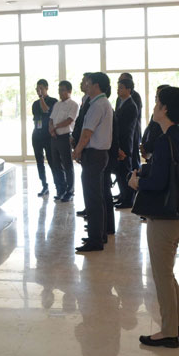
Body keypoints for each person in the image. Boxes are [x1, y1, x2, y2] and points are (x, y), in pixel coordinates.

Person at [129, 86, 179, 348]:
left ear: (165, 109)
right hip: (178, 215)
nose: (155, 105)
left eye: (158, 102)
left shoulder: (165, 140)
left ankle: (169, 332)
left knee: (161, 276)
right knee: (167, 273)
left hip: (164, 218)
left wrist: (137, 182)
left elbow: (158, 182)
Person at [72, 72, 113, 251]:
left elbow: (87, 132)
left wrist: (77, 150)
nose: (85, 86)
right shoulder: (102, 102)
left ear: (96, 85)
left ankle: (95, 239)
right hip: (99, 154)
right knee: (97, 197)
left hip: (94, 155)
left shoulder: (97, 105)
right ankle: (100, 235)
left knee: (93, 198)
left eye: (88, 83)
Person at [48, 80, 79, 202]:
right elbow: (51, 119)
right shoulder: (57, 104)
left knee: (67, 165)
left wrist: (55, 127)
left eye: (62, 90)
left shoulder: (73, 104)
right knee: (56, 165)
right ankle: (61, 189)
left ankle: (70, 191)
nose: (60, 93)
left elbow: (69, 120)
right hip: (54, 137)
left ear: (69, 91)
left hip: (65, 137)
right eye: (59, 90)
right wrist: (51, 129)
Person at [112, 77, 138, 208]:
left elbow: (126, 128)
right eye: (118, 87)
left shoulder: (131, 105)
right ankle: (123, 196)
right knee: (119, 172)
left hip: (125, 143)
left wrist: (120, 146)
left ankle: (129, 199)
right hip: (119, 142)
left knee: (125, 171)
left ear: (129, 89)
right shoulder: (120, 102)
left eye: (121, 88)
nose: (118, 90)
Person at [31, 79, 58, 197]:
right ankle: (44, 185)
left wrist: (42, 98)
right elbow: (37, 117)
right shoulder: (35, 104)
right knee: (39, 162)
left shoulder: (53, 101)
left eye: (41, 88)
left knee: (52, 161)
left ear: (47, 88)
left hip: (48, 135)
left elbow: (46, 110)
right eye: (37, 89)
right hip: (37, 134)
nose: (39, 90)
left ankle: (58, 186)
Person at [72, 73, 93, 217]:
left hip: (91, 147)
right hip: (82, 143)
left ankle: (91, 211)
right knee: (86, 181)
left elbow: (86, 127)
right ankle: (88, 208)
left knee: (91, 182)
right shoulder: (85, 99)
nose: (81, 83)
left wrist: (78, 147)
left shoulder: (93, 102)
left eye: (84, 81)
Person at [118, 72, 144, 170]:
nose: (118, 89)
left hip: (131, 133)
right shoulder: (119, 99)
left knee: (132, 160)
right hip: (121, 137)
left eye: (121, 86)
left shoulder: (134, 98)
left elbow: (130, 121)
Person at [141, 84, 169, 160]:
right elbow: (149, 129)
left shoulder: (166, 116)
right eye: (156, 95)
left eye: (158, 96)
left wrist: (147, 147)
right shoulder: (155, 113)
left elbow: (157, 134)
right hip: (149, 153)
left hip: (157, 152)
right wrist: (143, 145)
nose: (156, 98)